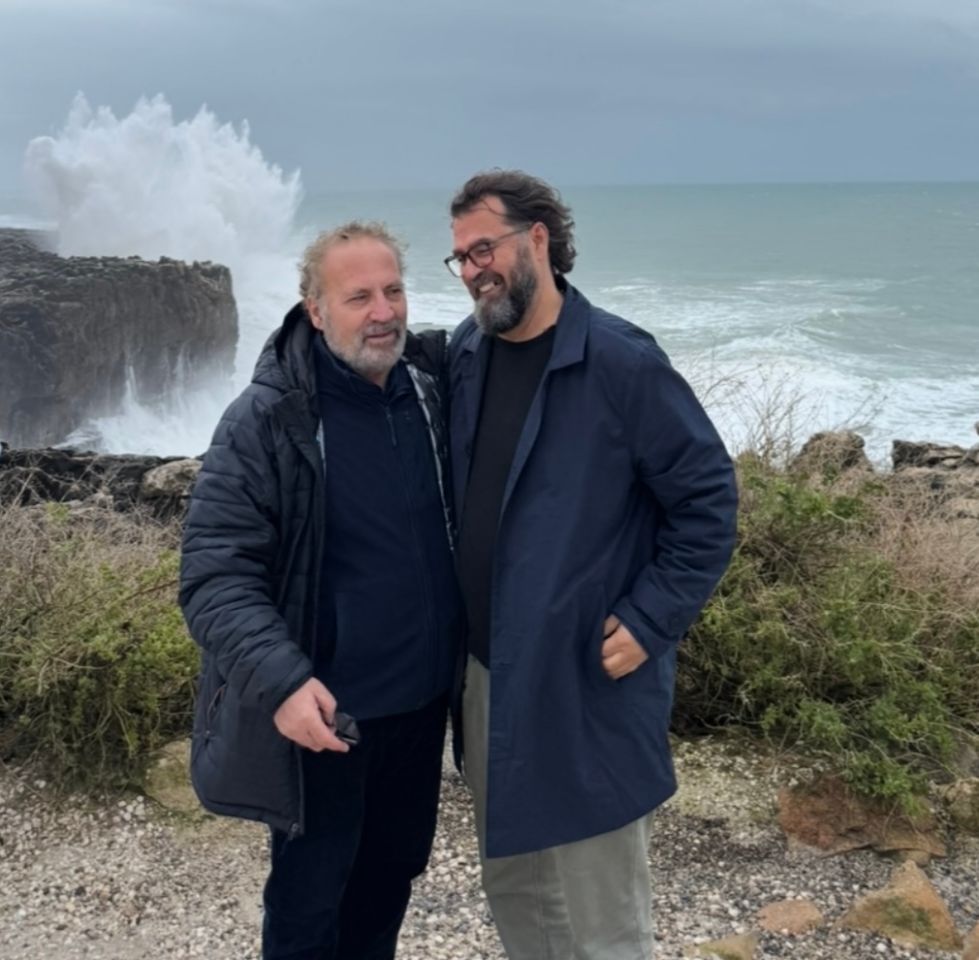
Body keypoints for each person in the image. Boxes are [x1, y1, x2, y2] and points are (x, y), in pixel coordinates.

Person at [444, 170, 738, 960]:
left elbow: (708, 502)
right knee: (516, 890)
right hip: (486, 676)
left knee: (600, 917)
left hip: (584, 678)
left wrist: (650, 620)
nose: (472, 269)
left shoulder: (619, 361)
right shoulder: (468, 352)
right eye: (461, 257)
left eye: (484, 249)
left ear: (538, 239)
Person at [180, 222, 461, 960]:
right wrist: (282, 682)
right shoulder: (268, 419)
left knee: (389, 880)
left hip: (422, 707)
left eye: (394, 290)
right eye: (358, 296)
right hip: (327, 714)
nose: (383, 312)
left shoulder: (431, 391)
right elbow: (214, 575)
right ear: (315, 309)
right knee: (310, 901)